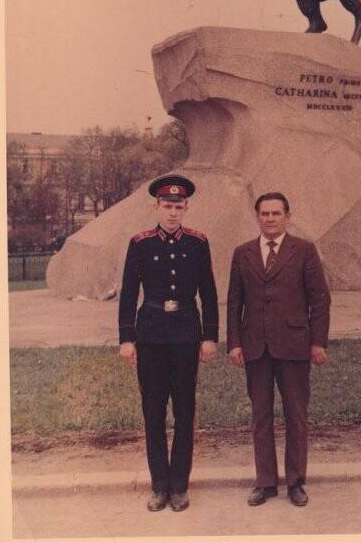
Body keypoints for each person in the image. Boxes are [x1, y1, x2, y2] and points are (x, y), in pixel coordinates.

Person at [118, 174, 218, 512]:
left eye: (178, 206)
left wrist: (209, 336)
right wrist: (126, 338)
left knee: (185, 410)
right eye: (167, 206)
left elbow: (209, 292)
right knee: (153, 411)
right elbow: (129, 293)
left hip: (186, 335)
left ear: (186, 208)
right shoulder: (141, 242)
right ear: (157, 207)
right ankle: (159, 485)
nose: (172, 212)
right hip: (150, 336)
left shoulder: (198, 242)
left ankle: (180, 485)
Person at [227, 192, 331, 507]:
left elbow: (320, 299)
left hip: (294, 347)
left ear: (287, 216)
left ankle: (296, 482)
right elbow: (234, 302)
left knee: (296, 415)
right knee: (261, 416)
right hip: (256, 348)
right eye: (264, 214)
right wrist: (234, 343)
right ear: (257, 217)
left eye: (276, 213)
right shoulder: (243, 253)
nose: (270, 219)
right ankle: (265, 482)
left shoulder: (304, 251)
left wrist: (317, 342)